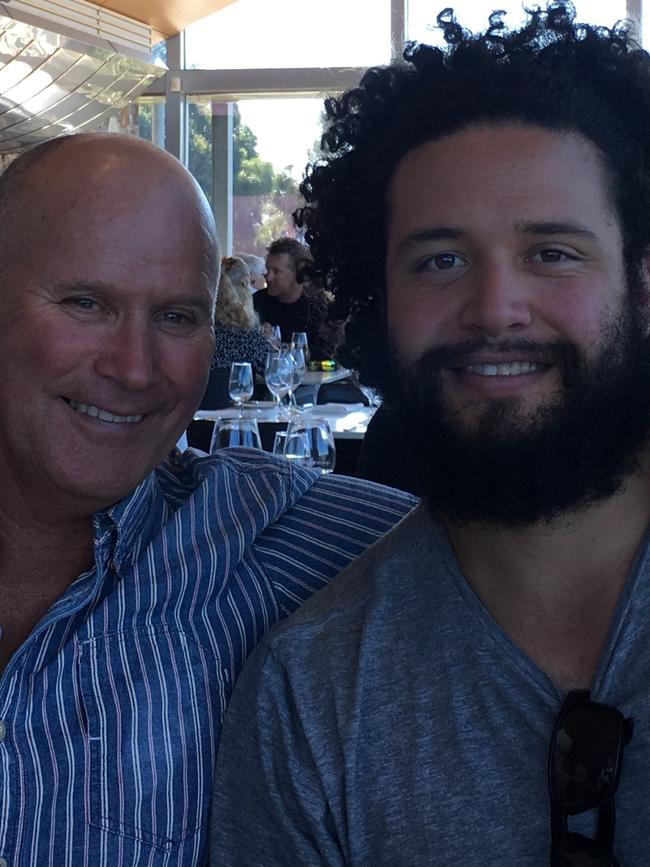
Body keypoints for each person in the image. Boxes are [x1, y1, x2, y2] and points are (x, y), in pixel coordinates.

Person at [211, 5, 650, 864]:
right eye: (440, 259)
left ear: (641, 284)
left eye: (552, 252)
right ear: (381, 299)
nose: (493, 308)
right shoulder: (311, 693)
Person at [0, 132, 415, 865]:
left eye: (177, 317)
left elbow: (553, 555)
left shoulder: (275, 533)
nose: (134, 368)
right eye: (87, 302)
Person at [254, 236, 336, 359]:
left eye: (276, 271)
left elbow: (327, 351)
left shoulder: (319, 307)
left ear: (299, 274)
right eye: (267, 269)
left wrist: (281, 347)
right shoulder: (255, 303)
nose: (268, 277)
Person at [211, 255, 270, 373]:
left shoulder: (204, 328)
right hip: (240, 391)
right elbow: (272, 369)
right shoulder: (245, 333)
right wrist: (269, 344)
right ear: (244, 285)